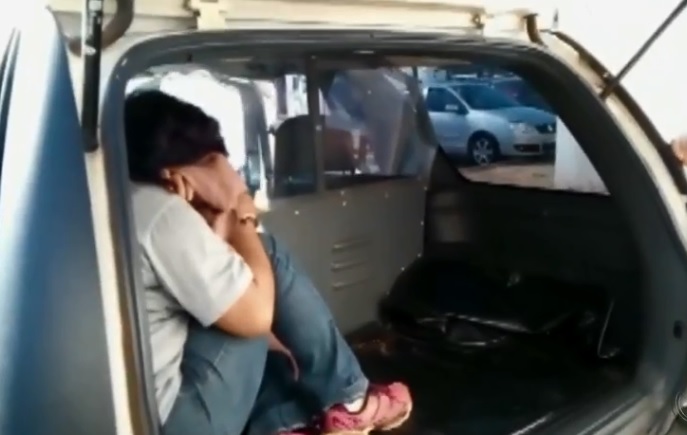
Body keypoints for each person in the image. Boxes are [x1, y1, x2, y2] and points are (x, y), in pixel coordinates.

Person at [125, 89, 413, 435]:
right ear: (186, 167)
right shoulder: (162, 214)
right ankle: (351, 400)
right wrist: (241, 215)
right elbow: (256, 314)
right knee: (261, 261)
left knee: (249, 300)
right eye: (216, 160)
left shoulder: (126, 201)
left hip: (141, 410)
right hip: (175, 423)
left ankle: (279, 425)